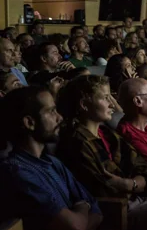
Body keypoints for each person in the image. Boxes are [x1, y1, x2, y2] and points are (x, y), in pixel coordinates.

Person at [56, 75, 147, 230]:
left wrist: (129, 183)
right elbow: (109, 187)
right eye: (105, 98)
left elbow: (142, 169)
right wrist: (134, 183)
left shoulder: (108, 134)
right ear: (84, 104)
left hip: (137, 201)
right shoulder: (76, 142)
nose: (112, 104)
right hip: (116, 213)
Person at [0, 86, 102, 230]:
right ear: (29, 123)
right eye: (51, 111)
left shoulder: (53, 162)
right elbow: (75, 225)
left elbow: (97, 212)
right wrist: (82, 206)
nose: (59, 117)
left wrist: (81, 213)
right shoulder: (17, 172)